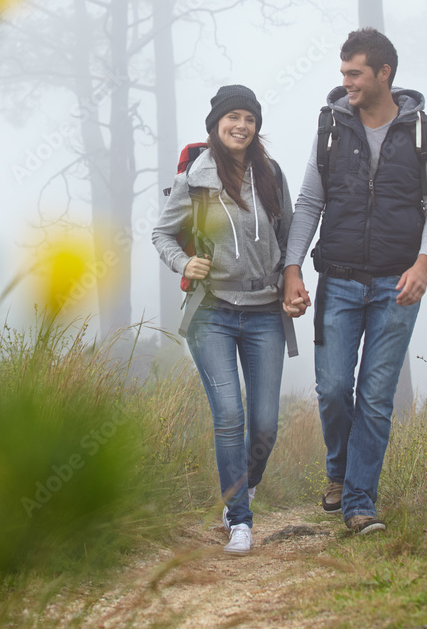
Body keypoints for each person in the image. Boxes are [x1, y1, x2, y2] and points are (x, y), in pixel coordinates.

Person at [283, 28, 427, 534]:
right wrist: (292, 270)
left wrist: (423, 265)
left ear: (384, 73)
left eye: (354, 73)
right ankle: (338, 472)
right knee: (334, 389)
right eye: (342, 73)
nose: (346, 82)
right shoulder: (330, 128)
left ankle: (359, 502)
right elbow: (310, 203)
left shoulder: (424, 131)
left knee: (375, 398)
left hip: (398, 287)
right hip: (338, 280)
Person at [152, 85, 297, 556]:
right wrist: (182, 263)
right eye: (232, 117)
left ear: (256, 127)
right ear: (215, 124)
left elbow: (290, 235)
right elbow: (162, 232)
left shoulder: (271, 174)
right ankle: (240, 519)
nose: (241, 125)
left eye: (249, 119)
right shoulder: (195, 178)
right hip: (212, 312)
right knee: (229, 417)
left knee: (266, 425)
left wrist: (293, 282)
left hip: (264, 313)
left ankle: (245, 485)